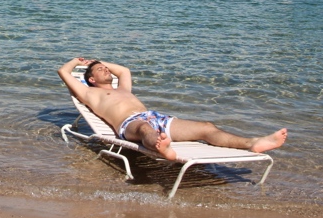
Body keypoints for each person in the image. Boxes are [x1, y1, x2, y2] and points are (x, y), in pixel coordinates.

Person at [58, 57, 287, 161]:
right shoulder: (89, 93)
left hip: (156, 117)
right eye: (100, 70)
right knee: (147, 129)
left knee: (206, 128)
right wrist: (79, 61)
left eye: (106, 67)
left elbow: (124, 70)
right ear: (90, 79)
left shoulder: (123, 87)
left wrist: (98, 60)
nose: (106, 70)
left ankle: (253, 143)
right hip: (130, 124)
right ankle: (162, 149)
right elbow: (63, 72)